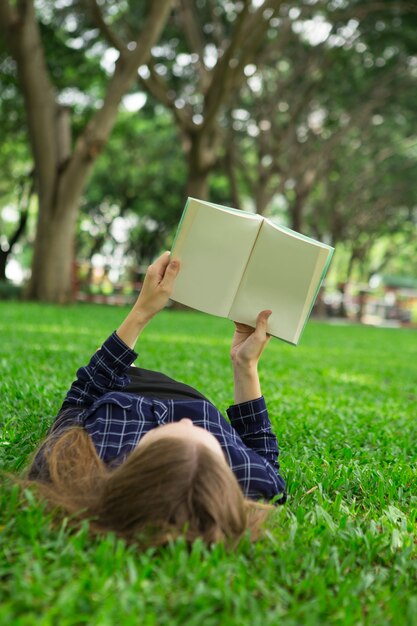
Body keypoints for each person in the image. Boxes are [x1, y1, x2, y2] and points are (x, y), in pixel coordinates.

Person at [23, 251, 286, 547]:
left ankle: (128, 369)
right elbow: (261, 447)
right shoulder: (254, 484)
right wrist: (245, 364)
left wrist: (141, 312)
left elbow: (80, 397)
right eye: (202, 434)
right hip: (188, 395)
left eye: (166, 433)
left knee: (108, 359)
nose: (187, 420)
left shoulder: (84, 462)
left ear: (134, 462)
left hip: (127, 392)